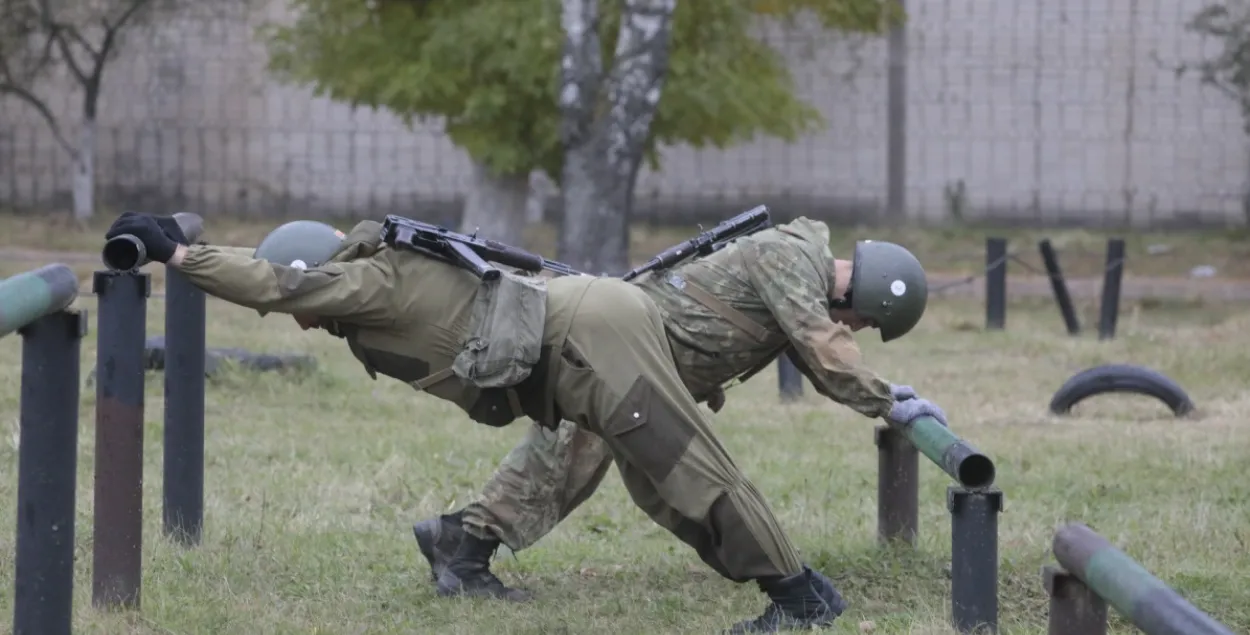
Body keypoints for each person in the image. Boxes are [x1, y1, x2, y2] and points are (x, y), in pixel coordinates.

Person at [103, 211, 945, 634]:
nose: (295, 319)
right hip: (578, 343)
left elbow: (275, 284)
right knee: (648, 475)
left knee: (677, 455)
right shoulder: (369, 288)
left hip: (596, 332)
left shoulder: (361, 285)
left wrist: (179, 256)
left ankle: (797, 595)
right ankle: (462, 542)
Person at [409, 217, 949, 624]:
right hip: (618, 359)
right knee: (575, 463)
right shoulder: (792, 261)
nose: (856, 327)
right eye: (867, 319)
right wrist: (890, 403)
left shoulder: (800, 275)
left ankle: (458, 542)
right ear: (866, 291)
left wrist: (887, 394)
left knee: (568, 460)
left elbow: (808, 354)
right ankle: (462, 545)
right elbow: (826, 351)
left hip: (631, 365)